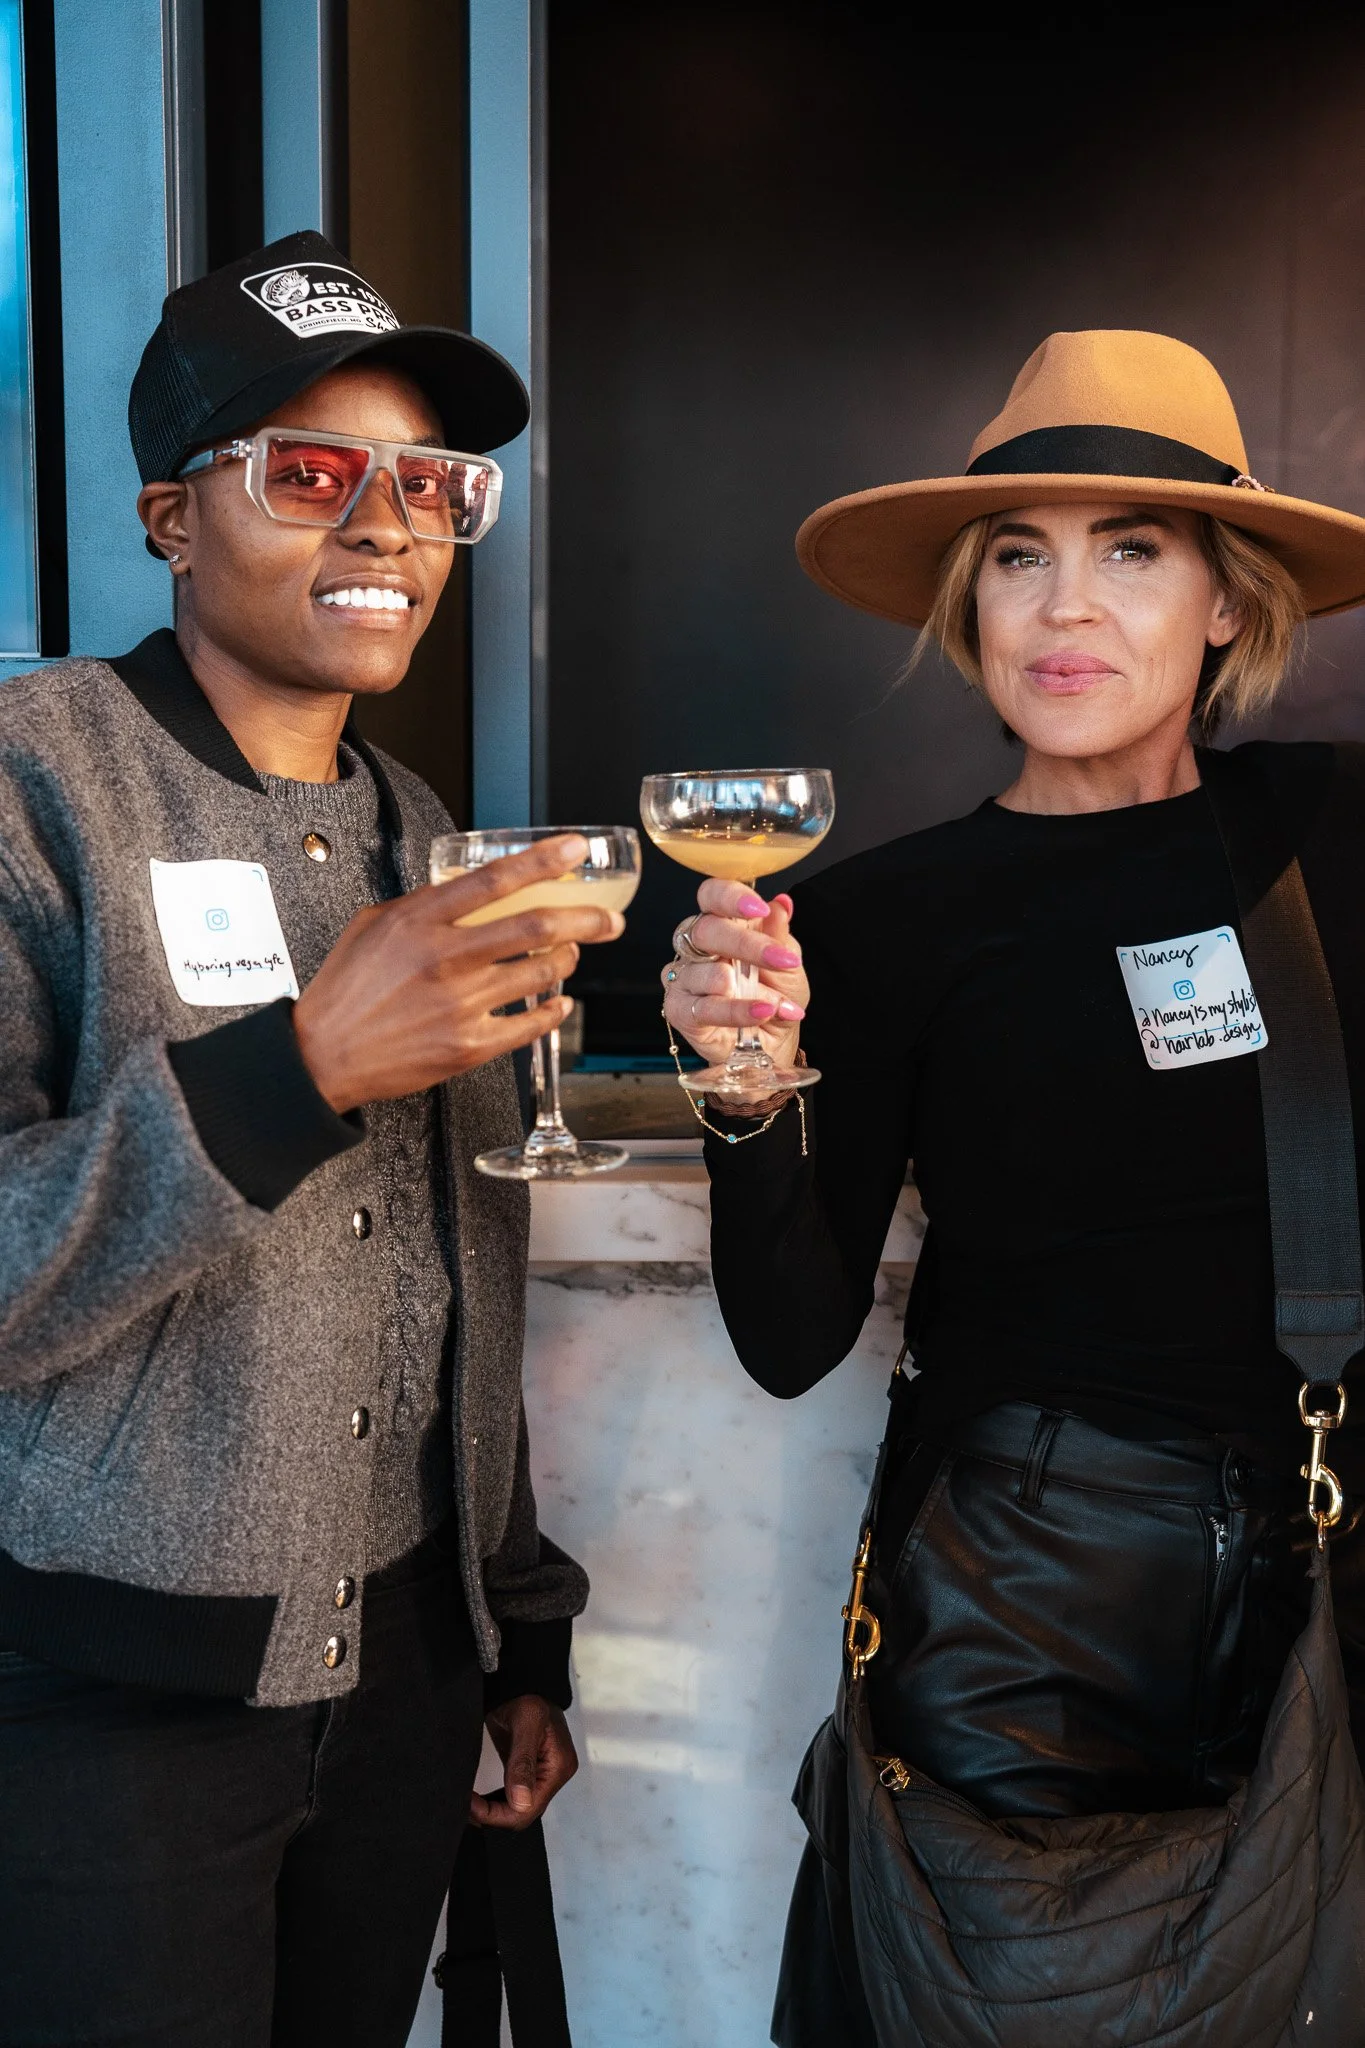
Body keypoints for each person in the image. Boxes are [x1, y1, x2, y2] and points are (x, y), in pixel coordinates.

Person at [661, 329, 1365, 2043]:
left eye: (1131, 551)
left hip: (1332, 1585)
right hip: (1027, 1606)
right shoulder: (892, 921)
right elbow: (788, 1334)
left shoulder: (1332, 839)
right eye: (1018, 562)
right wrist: (746, 1089)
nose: (1067, 611)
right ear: (968, 612)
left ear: (1224, 601)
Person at [0, 232, 621, 2047]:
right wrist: (297, 1071)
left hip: (413, 1684)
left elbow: (458, 1265)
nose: (387, 526)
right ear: (168, 520)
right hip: (116, 1698)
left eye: (430, 484)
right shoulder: (41, 783)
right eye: (309, 472)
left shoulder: (415, 821)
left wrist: (514, 1624)